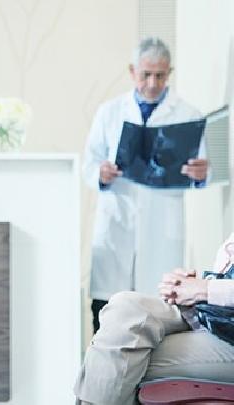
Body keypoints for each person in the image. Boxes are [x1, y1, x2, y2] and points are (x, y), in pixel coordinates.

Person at [83, 36, 208, 331]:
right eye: (146, 75)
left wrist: (201, 174)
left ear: (169, 73)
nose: (153, 84)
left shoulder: (188, 115)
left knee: (158, 316)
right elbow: (89, 164)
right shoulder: (109, 112)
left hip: (161, 227)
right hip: (117, 222)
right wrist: (100, 173)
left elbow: (200, 168)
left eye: (160, 76)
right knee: (107, 314)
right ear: (132, 71)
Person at [74, 233, 234, 405]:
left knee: (121, 358)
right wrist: (184, 293)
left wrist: (205, 289)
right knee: (127, 308)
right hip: (216, 321)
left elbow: (211, 291)